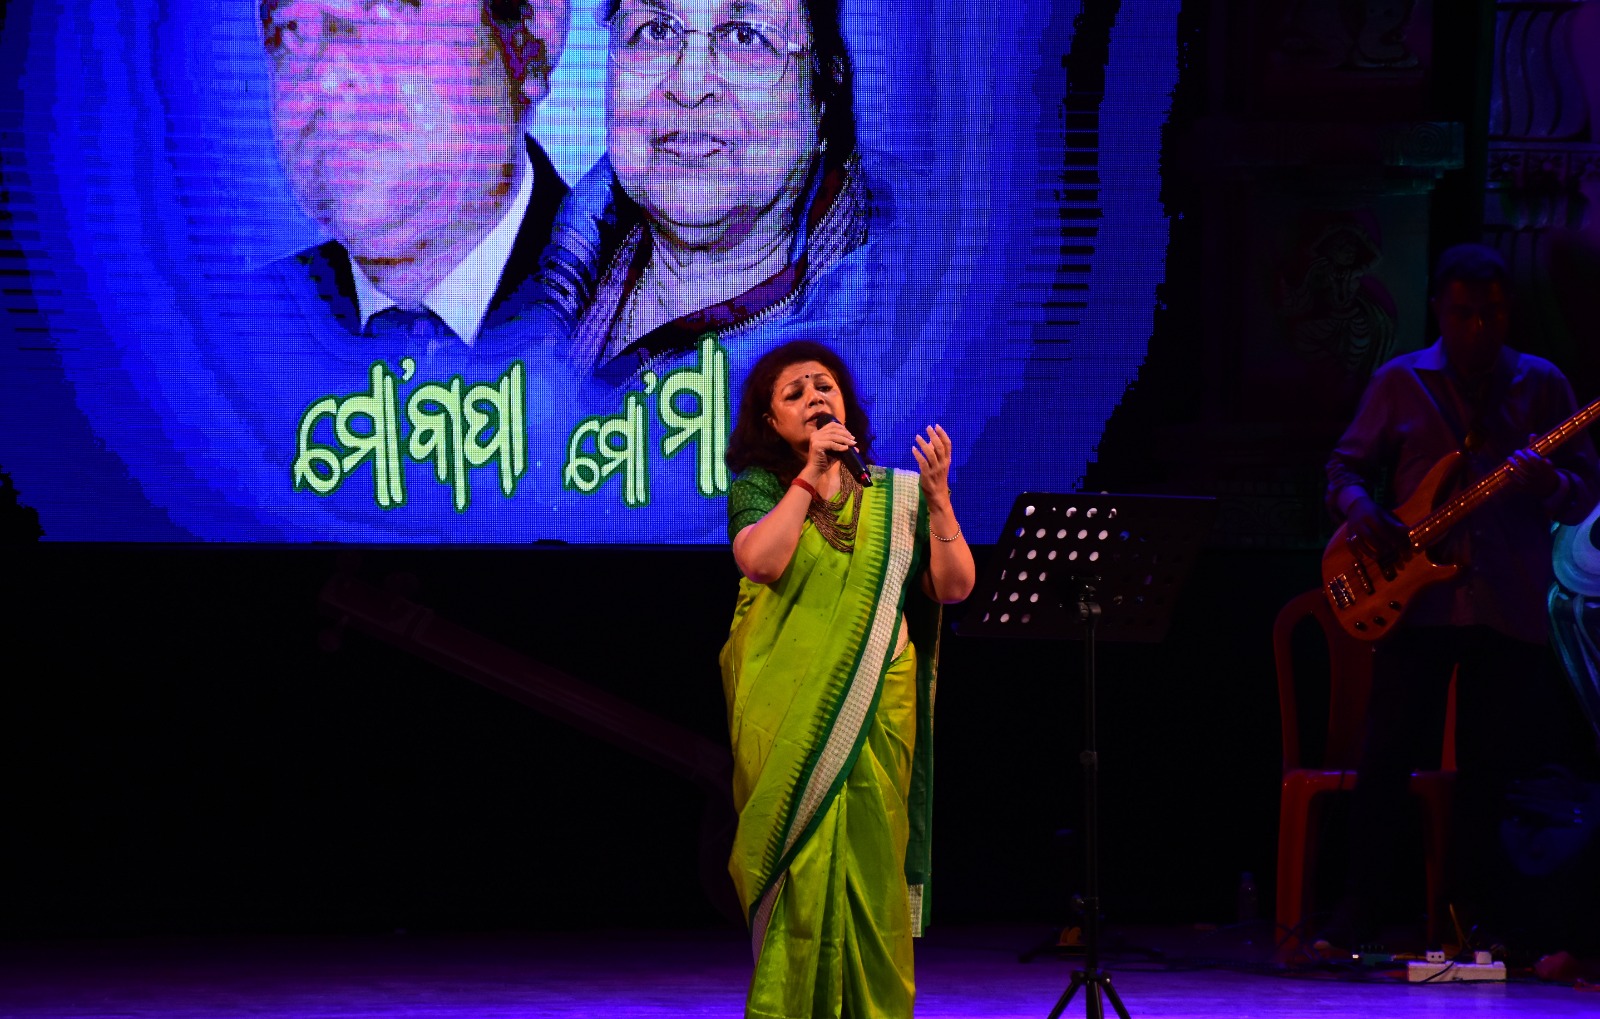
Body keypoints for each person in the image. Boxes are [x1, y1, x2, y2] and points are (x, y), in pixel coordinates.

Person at [1321, 242, 1600, 952]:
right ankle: (1359, 913)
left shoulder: (1542, 384)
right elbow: (1343, 468)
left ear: (1509, 312)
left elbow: (1584, 491)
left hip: (1507, 602)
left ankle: (1465, 921)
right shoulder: (1400, 381)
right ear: (1439, 310)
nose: (1479, 327)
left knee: (1490, 771)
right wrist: (1363, 511)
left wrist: (1549, 483)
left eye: (1493, 313)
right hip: (1416, 605)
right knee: (1386, 758)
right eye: (1464, 312)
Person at [718, 340, 974, 1017]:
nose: (814, 397)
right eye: (794, 392)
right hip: (790, 710)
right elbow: (762, 563)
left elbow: (954, 587)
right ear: (771, 421)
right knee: (801, 871)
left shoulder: (898, 497)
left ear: (846, 405)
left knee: (872, 863)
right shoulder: (761, 488)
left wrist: (940, 500)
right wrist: (809, 476)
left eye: (823, 385)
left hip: (881, 705)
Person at [540, 0, 887, 387]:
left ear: (824, 91)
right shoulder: (535, 272)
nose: (688, 86)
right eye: (656, 30)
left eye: (745, 37)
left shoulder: (893, 353)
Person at [254, 0, 573, 361]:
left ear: (530, 36)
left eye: (387, 10)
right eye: (295, 28)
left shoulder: (622, 325)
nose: (328, 79)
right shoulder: (243, 337)